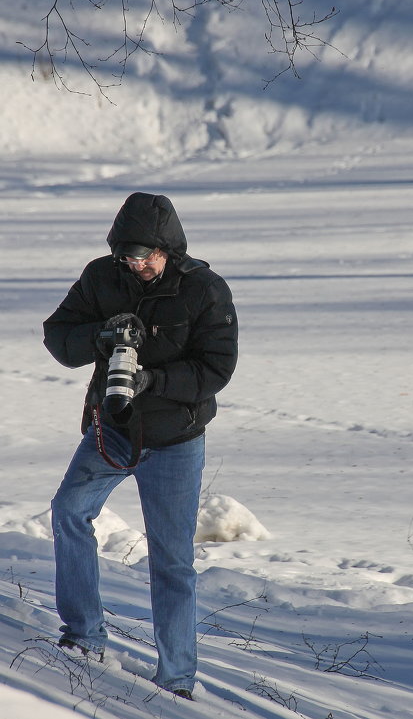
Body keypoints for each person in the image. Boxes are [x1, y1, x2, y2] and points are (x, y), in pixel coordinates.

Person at [43, 192, 238, 701]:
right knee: (68, 511)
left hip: (175, 441)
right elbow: (58, 337)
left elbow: (216, 370)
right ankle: (83, 636)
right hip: (111, 430)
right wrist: (101, 335)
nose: (137, 264)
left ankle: (176, 680)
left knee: (171, 561)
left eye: (146, 255)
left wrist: (153, 380)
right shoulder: (101, 277)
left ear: (169, 248)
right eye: (127, 255)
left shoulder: (204, 290)